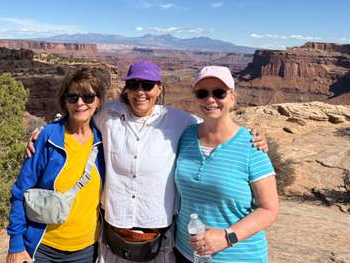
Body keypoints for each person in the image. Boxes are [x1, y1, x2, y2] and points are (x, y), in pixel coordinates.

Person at [27, 61, 268, 263]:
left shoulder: (180, 121)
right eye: (133, 84)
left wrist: (253, 136)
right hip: (113, 241)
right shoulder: (107, 115)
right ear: (126, 88)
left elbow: (215, 121)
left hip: (159, 243)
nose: (140, 91)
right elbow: (78, 113)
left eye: (147, 85)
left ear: (158, 88)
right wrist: (44, 131)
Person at [174, 66, 279, 263]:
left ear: (232, 97)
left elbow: (269, 209)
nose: (210, 99)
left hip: (237, 256)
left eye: (219, 93)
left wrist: (226, 237)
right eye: (202, 93)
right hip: (185, 253)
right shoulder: (186, 136)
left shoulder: (251, 146)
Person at [7, 67, 106, 263]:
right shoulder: (48, 138)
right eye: (73, 97)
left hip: (86, 250)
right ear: (64, 102)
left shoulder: (106, 141)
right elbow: (20, 192)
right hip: (43, 248)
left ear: (98, 101)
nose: (80, 103)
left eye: (88, 97)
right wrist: (16, 244)